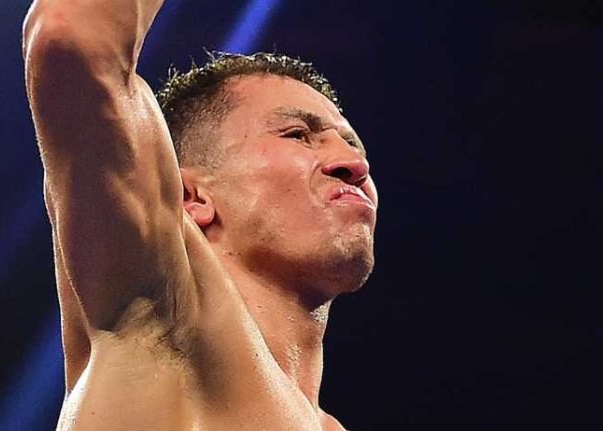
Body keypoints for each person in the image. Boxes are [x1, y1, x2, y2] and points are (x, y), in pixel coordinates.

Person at [22, 0, 378, 429]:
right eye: (298, 135)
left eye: (354, 144)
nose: (353, 165)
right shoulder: (165, 310)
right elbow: (71, 33)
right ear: (191, 196)